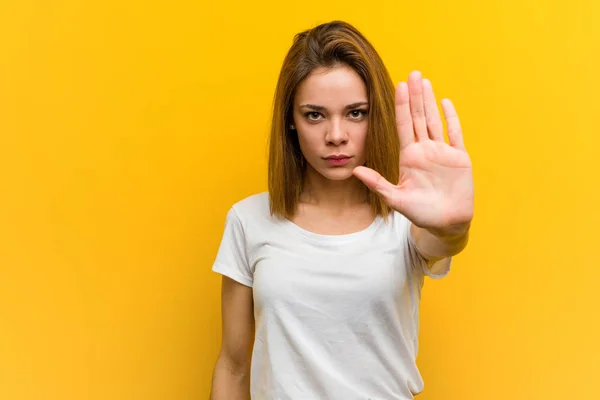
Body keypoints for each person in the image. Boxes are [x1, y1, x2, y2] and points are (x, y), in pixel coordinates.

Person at [209, 20, 474, 400]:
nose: (336, 135)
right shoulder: (248, 220)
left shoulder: (407, 221)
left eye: (356, 113)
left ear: (377, 115)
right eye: (315, 115)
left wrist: (454, 226)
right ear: (290, 121)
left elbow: (443, 240)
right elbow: (233, 366)